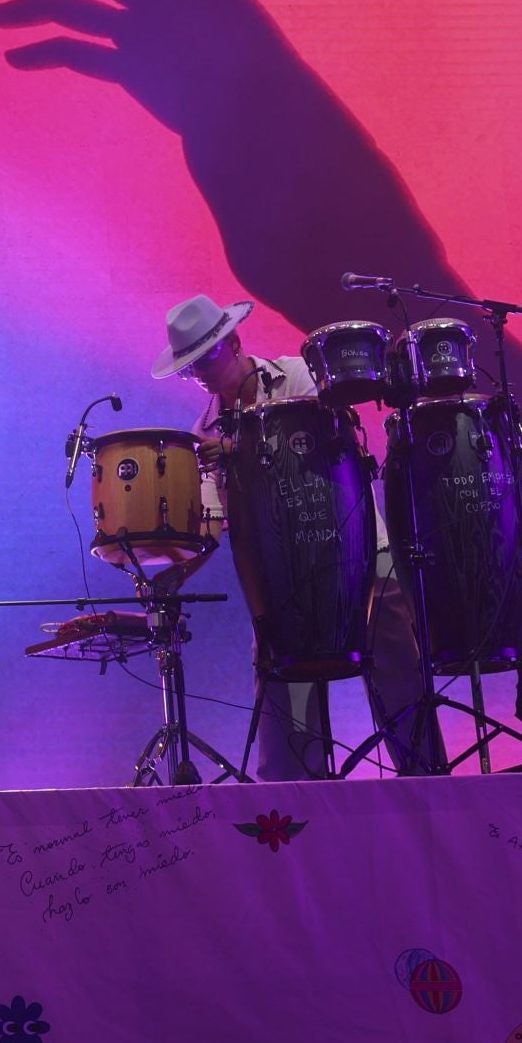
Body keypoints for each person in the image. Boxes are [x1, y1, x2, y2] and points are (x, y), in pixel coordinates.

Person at [153, 293, 446, 780]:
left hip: (355, 553)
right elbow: (210, 522)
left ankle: (430, 787)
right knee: (283, 697)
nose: (200, 373)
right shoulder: (204, 430)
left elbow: (324, 439)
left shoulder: (297, 374)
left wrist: (235, 448)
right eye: (189, 367)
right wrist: (172, 574)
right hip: (282, 580)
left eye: (205, 356)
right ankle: (290, 814)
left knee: (399, 671)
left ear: (234, 343)